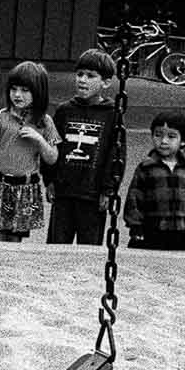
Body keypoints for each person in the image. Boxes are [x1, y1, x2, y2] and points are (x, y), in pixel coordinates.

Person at [0, 60, 61, 243]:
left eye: (25, 90)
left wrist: (39, 140)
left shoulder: (45, 122)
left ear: (38, 93)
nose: (17, 95)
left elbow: (52, 158)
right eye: (14, 89)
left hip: (24, 190)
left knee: (15, 243)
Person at [44, 48, 123, 245]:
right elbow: (51, 145)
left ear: (105, 82)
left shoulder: (113, 115)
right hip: (64, 191)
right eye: (79, 74)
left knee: (89, 248)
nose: (82, 80)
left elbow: (116, 154)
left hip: (92, 195)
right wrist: (50, 180)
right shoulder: (64, 111)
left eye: (90, 76)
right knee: (57, 245)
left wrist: (108, 190)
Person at [122, 111, 185, 251]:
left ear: (183, 140)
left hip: (182, 231)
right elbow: (134, 197)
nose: (163, 141)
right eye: (158, 135)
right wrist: (135, 226)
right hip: (151, 230)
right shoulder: (146, 167)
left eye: (171, 136)